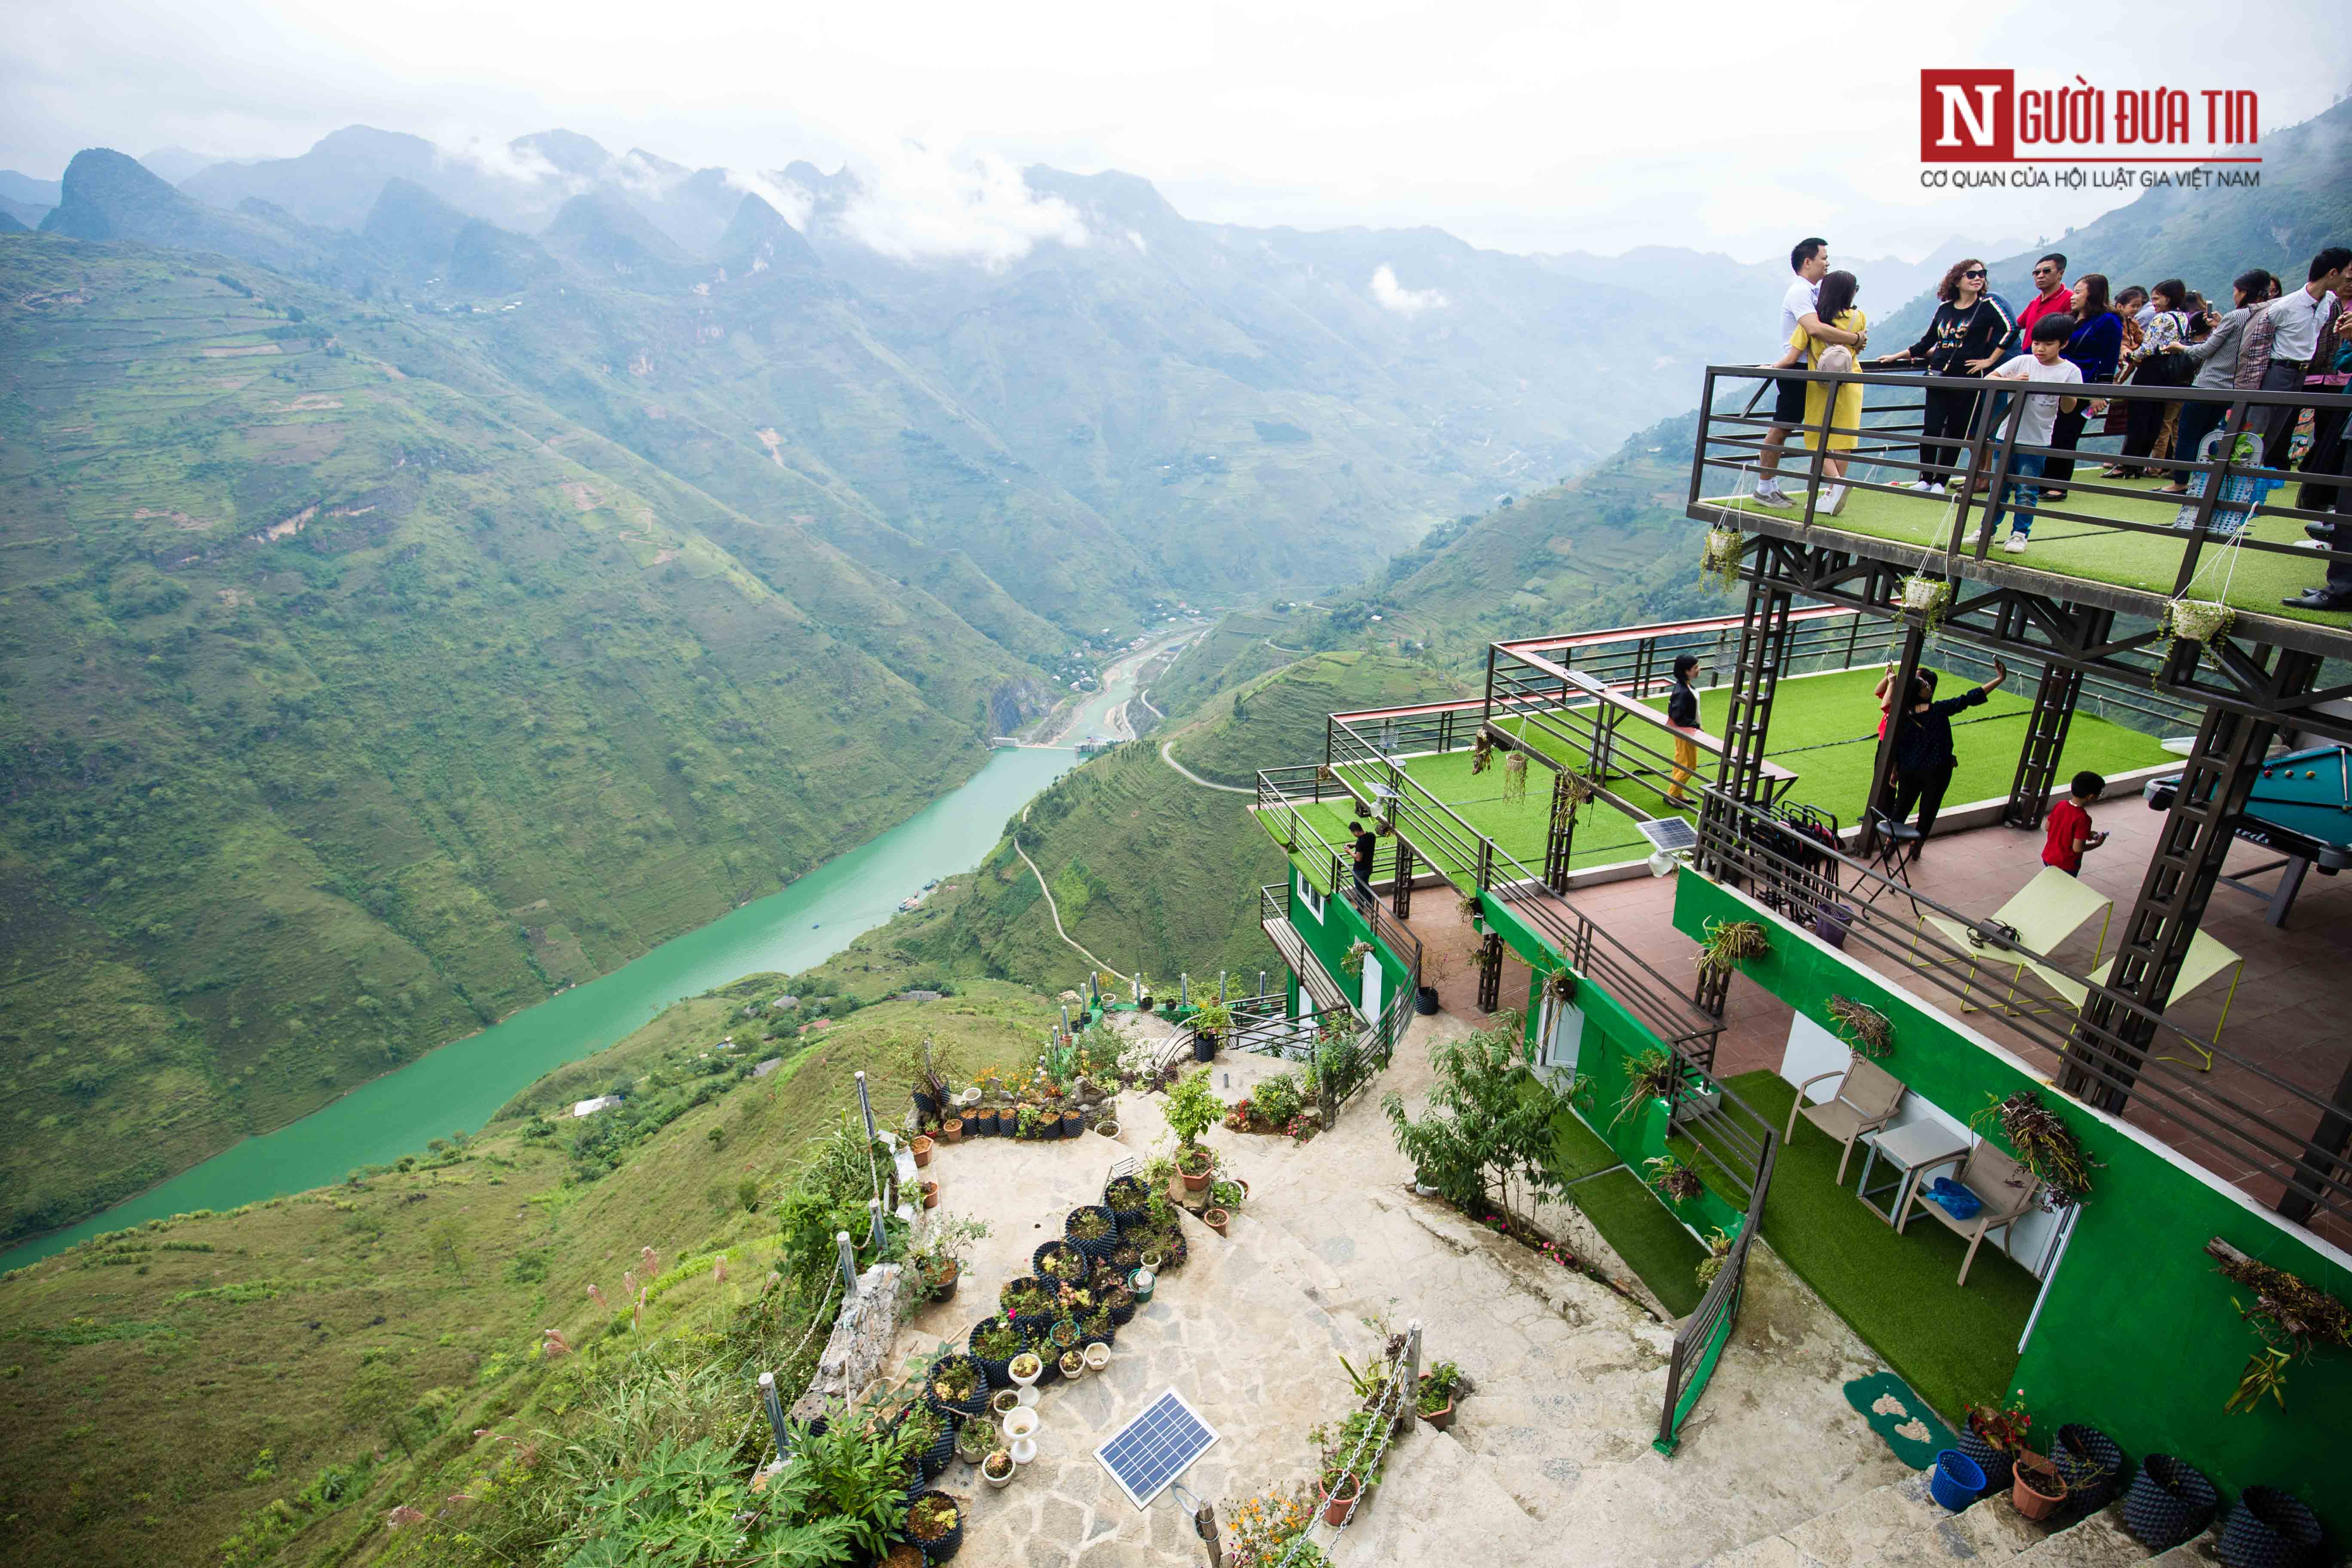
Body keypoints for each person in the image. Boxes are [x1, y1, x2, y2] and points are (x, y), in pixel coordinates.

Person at [1879, 258, 2014, 490]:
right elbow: (1928, 341)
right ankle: (1925, 478)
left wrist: (1989, 361)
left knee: (1956, 431)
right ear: (1957, 280)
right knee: (1931, 429)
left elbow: (2011, 329)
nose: (1978, 279)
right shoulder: (1945, 309)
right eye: (1971, 275)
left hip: (1967, 378)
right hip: (1938, 375)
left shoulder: (1987, 307)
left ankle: (1942, 480)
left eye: (1982, 274)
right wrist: (1897, 356)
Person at [1757, 239, 1867, 508]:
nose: (1827, 263)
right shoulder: (1800, 292)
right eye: (1823, 258)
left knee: (1815, 430)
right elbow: (1813, 329)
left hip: (1812, 371)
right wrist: (1854, 337)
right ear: (1808, 262)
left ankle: (1801, 489)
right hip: (1798, 371)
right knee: (1783, 427)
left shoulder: (1815, 292)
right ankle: (1765, 487)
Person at [2160, 269, 2275, 497]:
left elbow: (2205, 350)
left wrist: (2180, 347)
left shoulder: (2236, 316)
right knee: (2208, 434)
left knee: (2188, 434)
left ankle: (2181, 482)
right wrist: (2219, 325)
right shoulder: (2264, 315)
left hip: (2208, 383)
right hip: (2232, 386)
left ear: (2243, 292)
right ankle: (2209, 479)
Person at [1980, 314, 2084, 552]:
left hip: (2037, 440)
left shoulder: (2070, 371)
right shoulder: (2023, 362)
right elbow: (1990, 379)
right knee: (1999, 487)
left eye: (2048, 344)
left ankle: (2019, 535)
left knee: (2027, 489)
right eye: (2037, 342)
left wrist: (2063, 392)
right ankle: (1987, 530)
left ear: (2063, 344)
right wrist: (2013, 381)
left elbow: (2069, 408)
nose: (2040, 349)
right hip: (2006, 435)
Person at [1887, 658, 2010, 857]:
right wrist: (2000, 680)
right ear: (1920, 693)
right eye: (1925, 685)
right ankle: (1916, 845)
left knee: (1901, 808)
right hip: (1937, 773)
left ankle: (1891, 843)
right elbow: (1971, 698)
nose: (1929, 687)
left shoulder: (1902, 716)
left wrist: (1895, 771)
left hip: (1910, 771)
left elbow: (1896, 748)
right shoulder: (1940, 710)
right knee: (1928, 811)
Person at [2255, 247, 2351, 475]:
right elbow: (2259, 340)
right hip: (2278, 370)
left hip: (2302, 372)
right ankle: (2237, 476)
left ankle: (2254, 476)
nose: (2350, 276)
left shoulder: (2329, 302)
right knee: (2258, 426)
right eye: (2348, 271)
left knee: (2276, 430)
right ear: (2333, 273)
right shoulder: (2285, 306)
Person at [2042, 274, 2122, 496]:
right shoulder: (2071, 319)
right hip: (2057, 382)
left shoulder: (2109, 321)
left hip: (2084, 385)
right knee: (2050, 432)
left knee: (2066, 435)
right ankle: (2043, 480)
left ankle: (2058, 485)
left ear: (2093, 295)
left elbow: (2109, 359)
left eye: (2078, 292)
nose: (2073, 297)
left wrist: (2100, 393)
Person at [2112, 279, 2195, 478]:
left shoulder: (2161, 319)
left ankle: (2128, 464)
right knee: (2156, 420)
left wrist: (2130, 355)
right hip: (2171, 373)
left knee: (2138, 419)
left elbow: (2148, 349)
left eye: (2157, 298)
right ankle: (2140, 464)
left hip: (2151, 371)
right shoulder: (2183, 318)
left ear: (2168, 298)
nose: (2154, 303)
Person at [2042, 771, 2110, 876]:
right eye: (2100, 794)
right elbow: (2078, 849)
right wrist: (2097, 844)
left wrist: (2086, 834)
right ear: (2091, 797)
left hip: (2049, 858)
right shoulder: (2084, 819)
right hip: (2067, 865)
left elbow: (2048, 827)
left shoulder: (2060, 805)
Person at [1665, 653, 1701, 807]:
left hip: (1685, 731)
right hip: (1686, 732)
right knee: (1689, 766)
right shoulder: (1682, 692)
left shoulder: (1684, 686)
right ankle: (1672, 794)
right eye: (1696, 668)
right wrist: (1695, 726)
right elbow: (1678, 715)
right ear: (1687, 671)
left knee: (1681, 762)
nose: (1699, 670)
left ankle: (1678, 793)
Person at [1348, 818, 1376, 897]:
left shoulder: (1360, 842)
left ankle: (1361, 908)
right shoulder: (1371, 836)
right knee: (1366, 887)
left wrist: (1349, 851)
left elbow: (1358, 858)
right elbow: (1367, 847)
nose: (1353, 834)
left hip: (1360, 870)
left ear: (1356, 831)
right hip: (1369, 867)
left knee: (1360, 890)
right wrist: (1355, 846)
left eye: (1353, 833)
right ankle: (1371, 905)